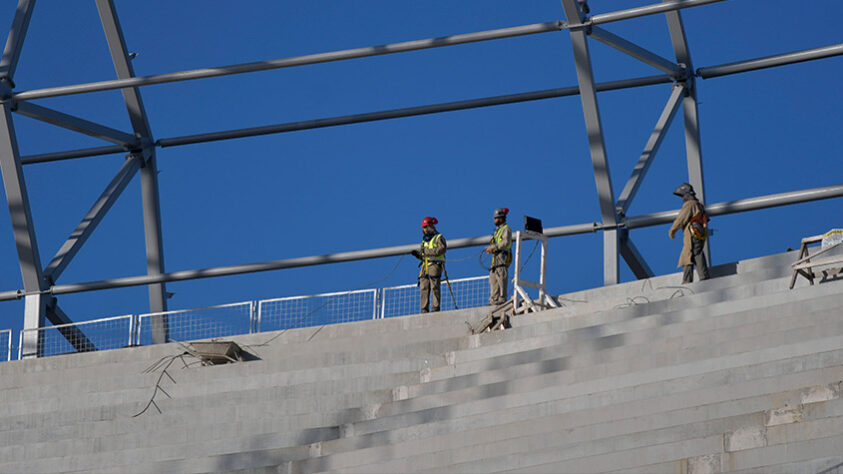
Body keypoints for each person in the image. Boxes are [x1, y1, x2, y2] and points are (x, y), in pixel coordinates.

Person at [668, 183, 710, 283]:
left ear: (687, 195)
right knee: (697, 254)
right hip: (699, 233)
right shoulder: (699, 205)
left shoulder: (690, 204)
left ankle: (687, 281)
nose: (682, 198)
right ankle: (703, 276)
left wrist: (672, 230)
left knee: (687, 256)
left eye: (682, 195)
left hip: (692, 234)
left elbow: (681, 218)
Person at [410, 216, 447, 313]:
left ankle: (435, 307)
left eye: (425, 227)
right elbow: (423, 255)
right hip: (425, 266)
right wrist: (417, 255)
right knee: (424, 287)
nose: (423, 230)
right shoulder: (424, 241)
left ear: (430, 226)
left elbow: (440, 250)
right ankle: (424, 308)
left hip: (435, 265)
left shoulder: (439, 238)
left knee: (434, 286)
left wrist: (426, 251)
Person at [485, 208, 512, 305]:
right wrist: (491, 248)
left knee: (501, 277)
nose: (494, 220)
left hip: (502, 257)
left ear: (501, 218)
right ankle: (493, 300)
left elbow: (505, 242)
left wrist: (494, 247)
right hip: (495, 258)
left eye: (496, 218)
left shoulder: (506, 229)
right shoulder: (497, 230)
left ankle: (502, 298)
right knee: (493, 279)